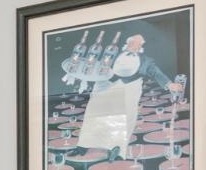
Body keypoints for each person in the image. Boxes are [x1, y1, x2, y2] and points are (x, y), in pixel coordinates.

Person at [74, 34, 183, 162]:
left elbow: (155, 72)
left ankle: (117, 150)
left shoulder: (146, 60)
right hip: (106, 88)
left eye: (139, 44)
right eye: (134, 43)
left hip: (129, 89)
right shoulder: (113, 53)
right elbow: (97, 65)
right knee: (93, 114)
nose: (136, 46)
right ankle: (83, 146)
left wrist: (170, 84)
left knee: (123, 120)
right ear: (128, 43)